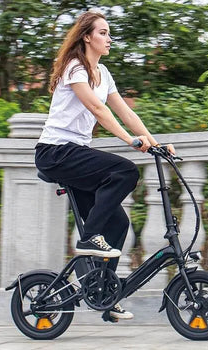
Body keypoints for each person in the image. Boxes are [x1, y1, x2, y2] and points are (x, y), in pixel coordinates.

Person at [34, 11, 173, 320]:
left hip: (74, 155)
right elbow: (97, 108)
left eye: (109, 34)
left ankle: (103, 292)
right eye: (103, 33)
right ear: (87, 37)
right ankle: (88, 237)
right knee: (124, 171)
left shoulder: (104, 73)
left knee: (119, 224)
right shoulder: (75, 68)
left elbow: (124, 111)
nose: (109, 39)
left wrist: (155, 143)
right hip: (55, 152)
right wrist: (129, 141)